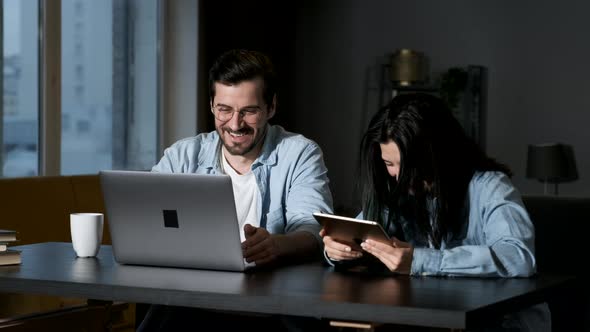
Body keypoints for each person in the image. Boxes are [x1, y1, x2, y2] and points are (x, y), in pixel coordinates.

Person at [137, 49, 333, 331]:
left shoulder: (300, 153)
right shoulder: (183, 155)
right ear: (212, 106)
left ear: (271, 107)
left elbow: (313, 231)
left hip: (273, 306)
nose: (235, 124)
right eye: (224, 110)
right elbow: (146, 218)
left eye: (249, 111)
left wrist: (275, 245)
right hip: (193, 301)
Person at [321, 93, 550, 331]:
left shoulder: (490, 187)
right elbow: (361, 230)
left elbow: (518, 257)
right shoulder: (399, 191)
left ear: (438, 153)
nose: (399, 177)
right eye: (389, 164)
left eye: (408, 165)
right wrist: (338, 249)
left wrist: (419, 261)